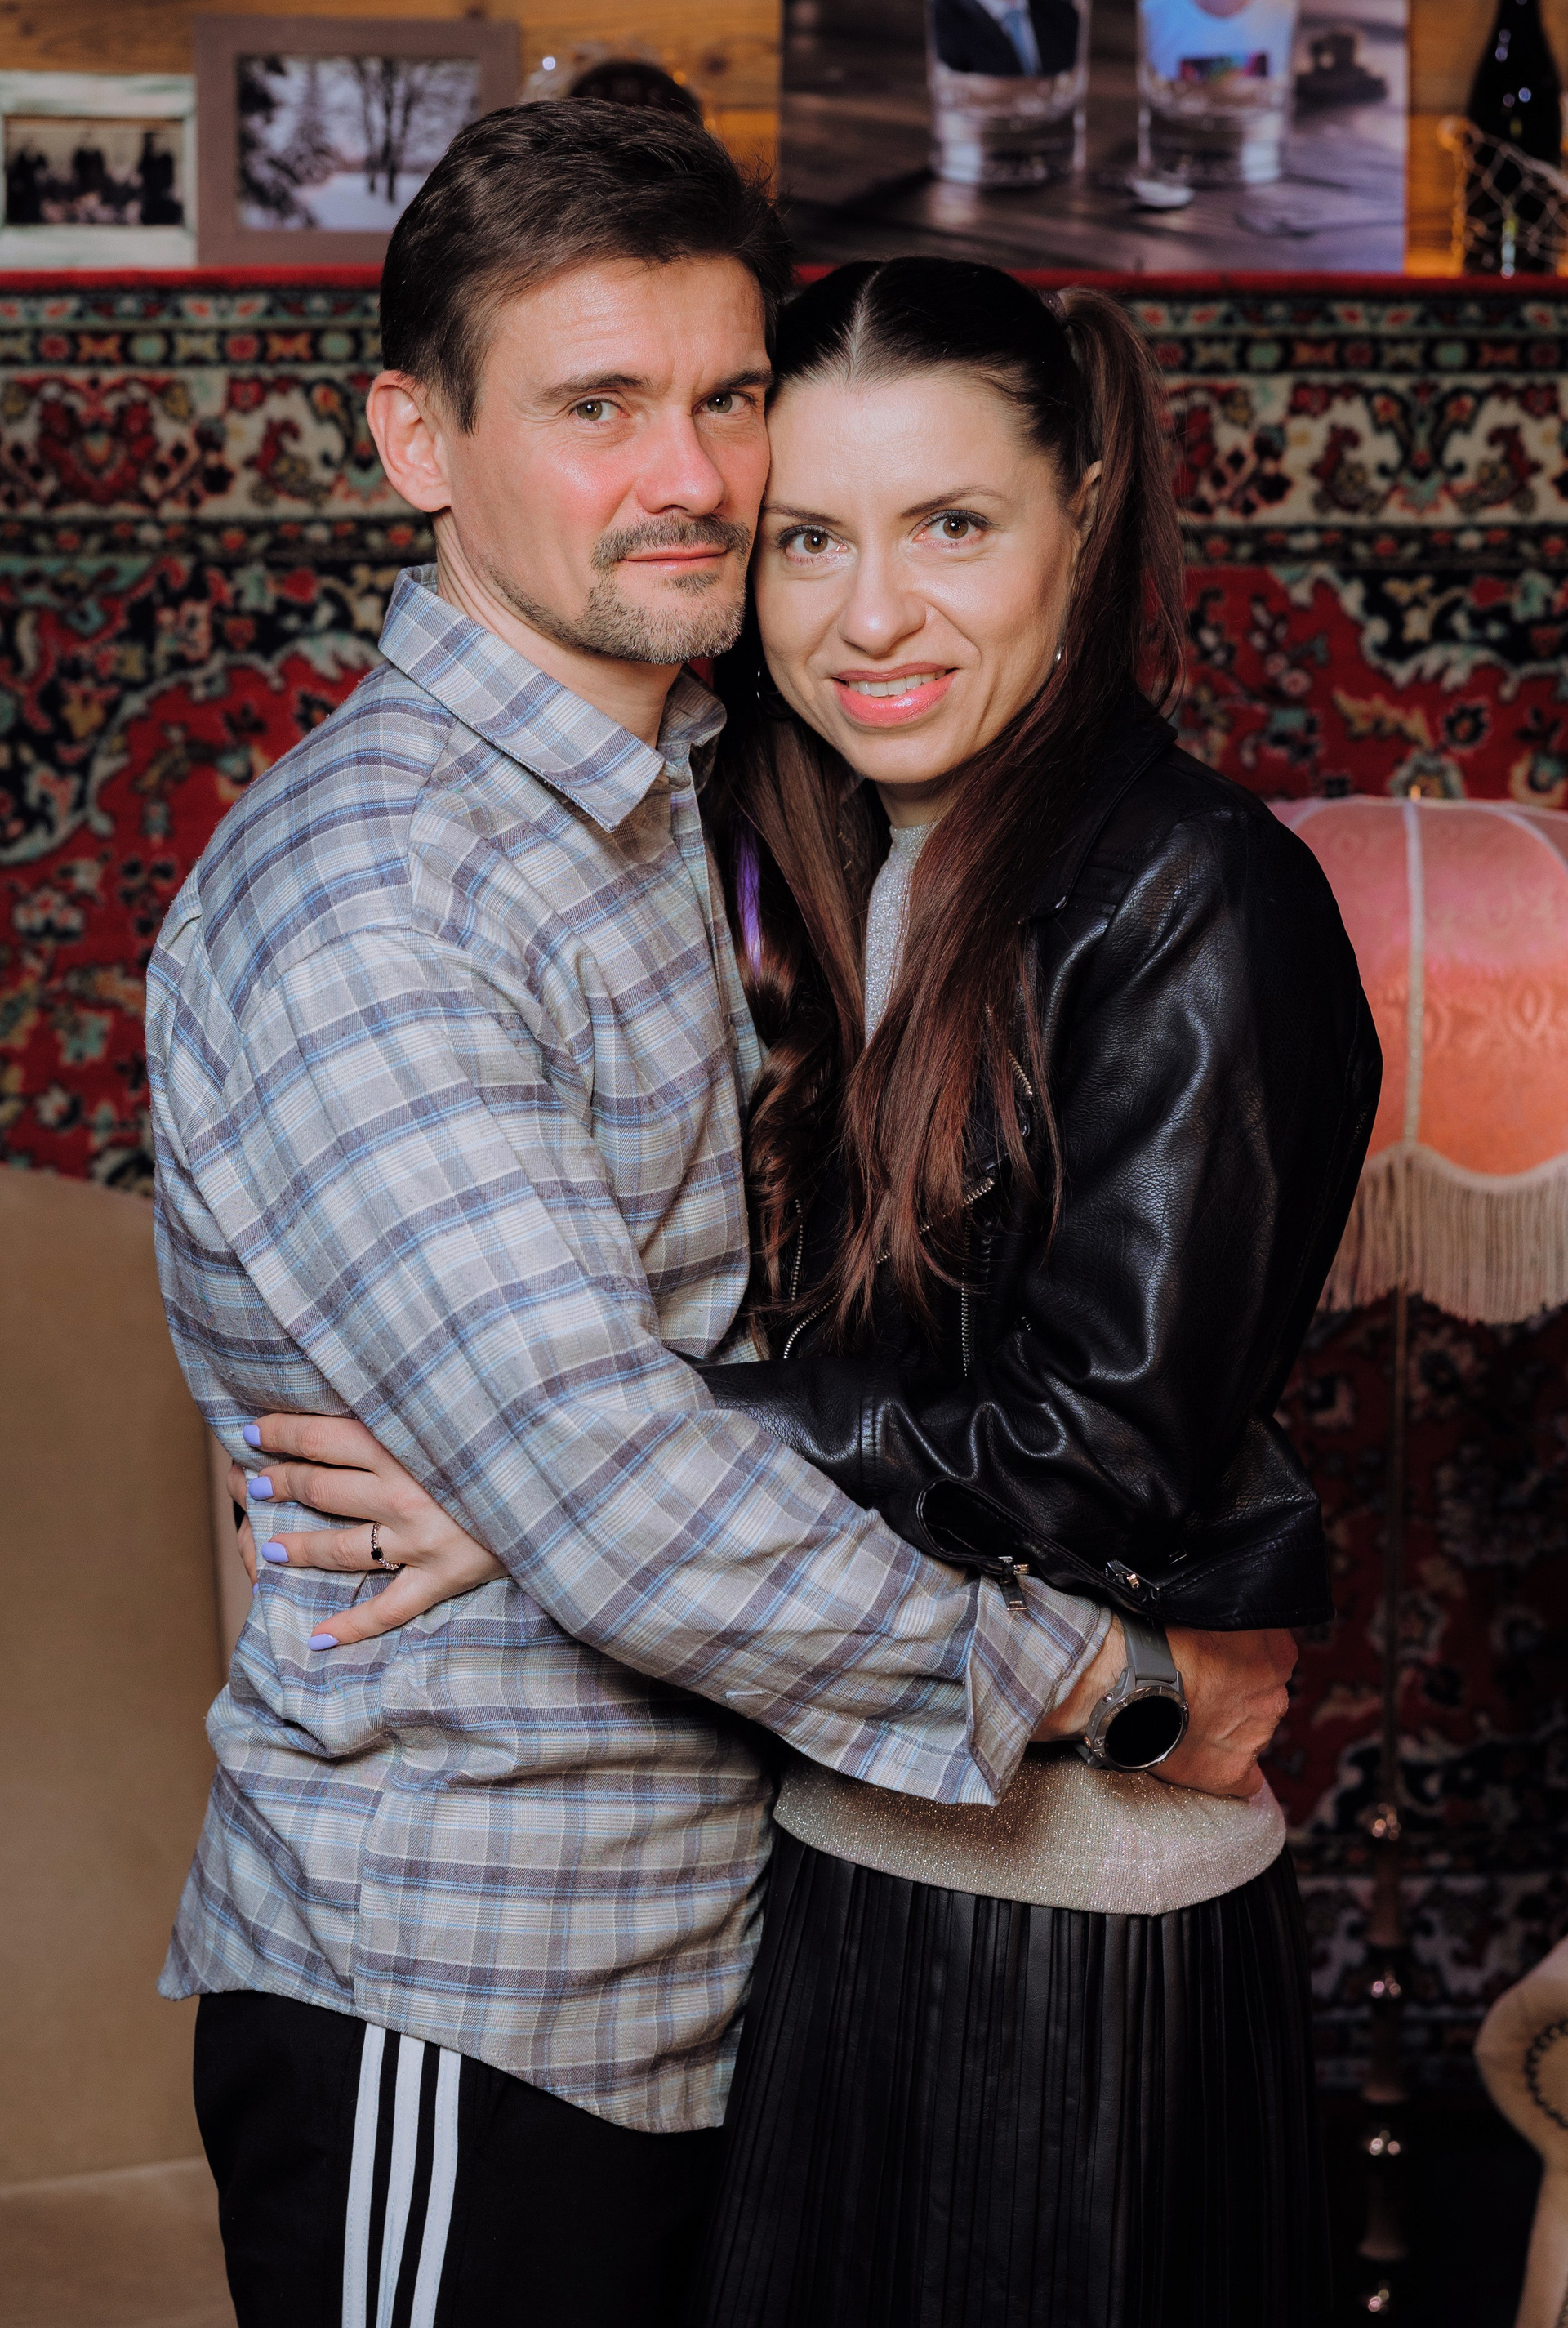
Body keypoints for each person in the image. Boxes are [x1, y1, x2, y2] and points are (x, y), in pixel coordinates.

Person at [149, 109, 1291, 2327]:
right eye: (597, 406)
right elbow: (621, 1498)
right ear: (416, 440)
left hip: (738, 1968)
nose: (692, 476)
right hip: (466, 1980)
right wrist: (1109, 1681)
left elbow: (745, 1377)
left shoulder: (714, 800)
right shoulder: (378, 892)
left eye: (728, 394)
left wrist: (541, 1486)